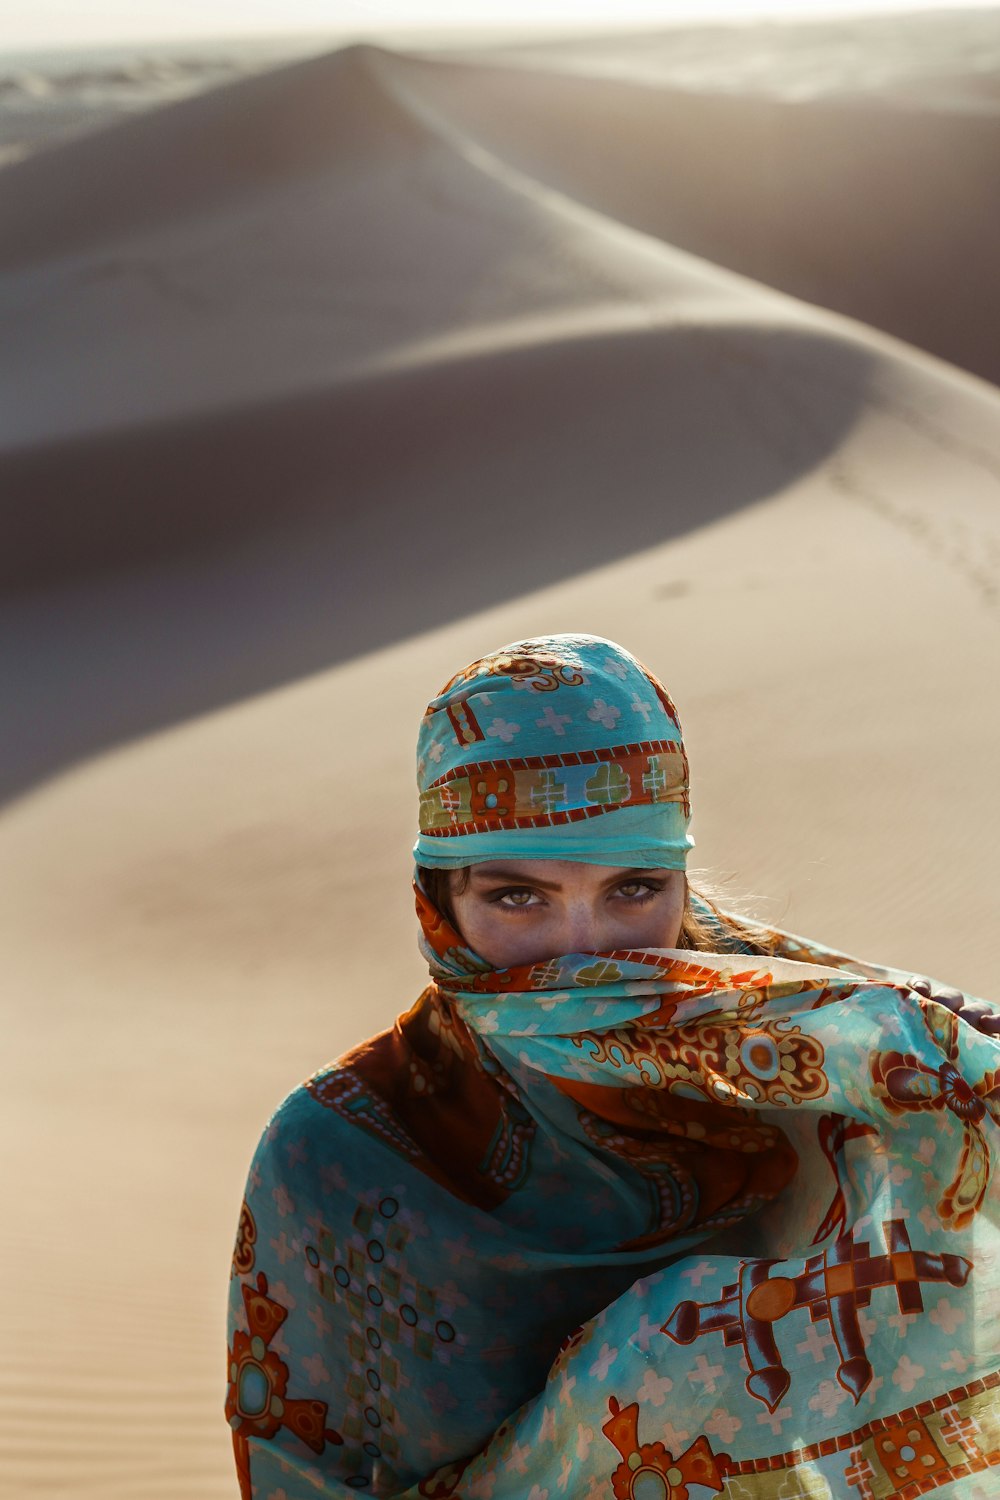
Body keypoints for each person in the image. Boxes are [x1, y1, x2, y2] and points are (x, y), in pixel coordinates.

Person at [226, 634, 1000, 1499]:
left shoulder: (814, 1052)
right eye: (518, 897)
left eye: (633, 889)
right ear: (438, 901)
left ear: (681, 883)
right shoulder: (337, 1150)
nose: (585, 955)